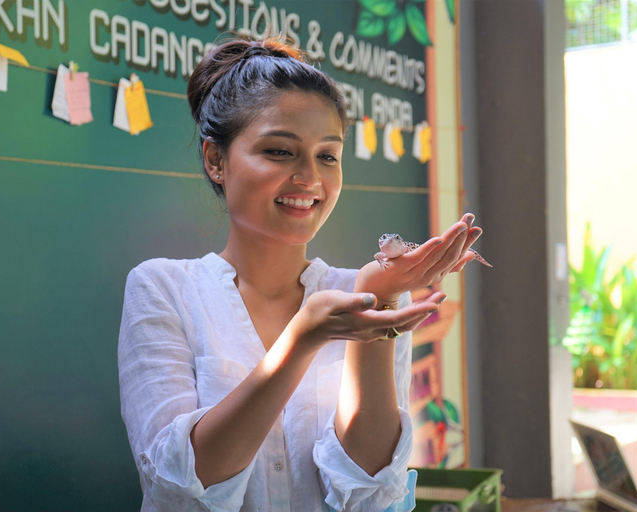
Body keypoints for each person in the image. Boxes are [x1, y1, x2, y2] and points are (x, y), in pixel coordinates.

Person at [118, 38, 483, 512]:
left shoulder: (365, 295)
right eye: (280, 151)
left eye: (328, 156)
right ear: (216, 160)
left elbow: (367, 491)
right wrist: (301, 339)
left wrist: (378, 300)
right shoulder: (163, 289)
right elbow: (181, 485)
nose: (310, 178)